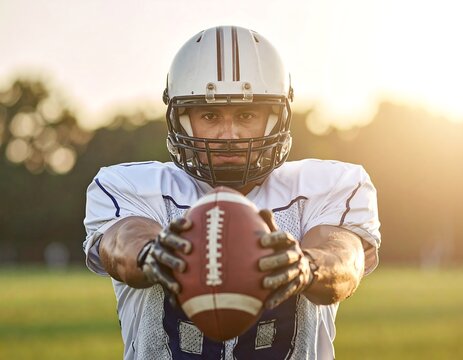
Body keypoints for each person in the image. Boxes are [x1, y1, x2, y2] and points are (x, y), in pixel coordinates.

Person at [83, 25, 380, 360]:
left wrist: (308, 266)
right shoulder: (129, 186)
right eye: (210, 115)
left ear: (275, 117)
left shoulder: (331, 184)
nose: (229, 134)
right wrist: (149, 253)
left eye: (247, 114)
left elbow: (344, 257)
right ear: (180, 118)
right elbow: (121, 242)